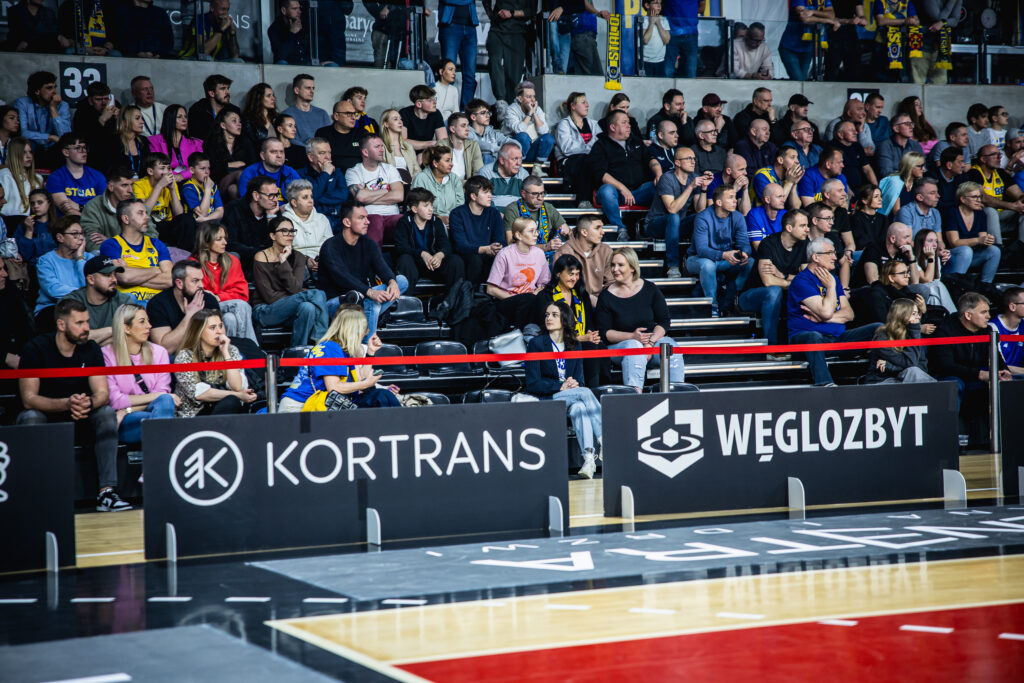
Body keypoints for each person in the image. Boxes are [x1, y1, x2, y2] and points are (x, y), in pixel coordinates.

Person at [17, 298, 130, 512]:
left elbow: (102, 394)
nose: (87, 328)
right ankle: (34, 493)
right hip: (49, 415)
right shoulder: (35, 348)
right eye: (79, 323)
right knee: (30, 417)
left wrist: (88, 403)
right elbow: (29, 398)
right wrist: (67, 404)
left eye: (87, 321)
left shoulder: (91, 348)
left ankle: (107, 492)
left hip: (82, 414)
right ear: (61, 325)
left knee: (106, 413)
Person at [787, 237, 880, 386]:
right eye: (830, 253)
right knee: (813, 336)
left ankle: (875, 378)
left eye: (834, 253)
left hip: (836, 338)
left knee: (879, 328)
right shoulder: (802, 281)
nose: (835, 258)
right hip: (806, 339)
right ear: (815, 257)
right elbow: (825, 311)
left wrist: (825, 318)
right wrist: (830, 288)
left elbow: (849, 314)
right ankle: (825, 383)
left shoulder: (834, 279)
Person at [527, 301, 604, 477]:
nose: (549, 318)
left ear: (565, 318)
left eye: (554, 315)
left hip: (572, 398)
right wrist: (560, 386)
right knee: (585, 393)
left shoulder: (575, 345)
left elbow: (581, 381)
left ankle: (589, 461)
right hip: (547, 398)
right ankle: (604, 439)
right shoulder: (536, 344)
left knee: (580, 408)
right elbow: (532, 383)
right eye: (547, 315)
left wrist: (574, 384)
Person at [279, 306, 399, 411]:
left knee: (380, 396)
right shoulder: (330, 348)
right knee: (381, 396)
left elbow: (360, 378)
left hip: (324, 404)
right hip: (301, 407)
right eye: (364, 330)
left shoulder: (343, 350)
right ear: (353, 331)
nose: (365, 334)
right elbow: (334, 387)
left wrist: (370, 352)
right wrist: (366, 384)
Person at [596, 247, 684, 391]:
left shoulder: (650, 288)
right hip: (621, 347)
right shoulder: (606, 296)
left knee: (669, 345)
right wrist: (632, 336)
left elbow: (664, 321)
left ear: (632, 267)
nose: (615, 269)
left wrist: (650, 344)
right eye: (613, 265)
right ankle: (635, 396)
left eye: (620, 265)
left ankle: (677, 394)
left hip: (650, 344)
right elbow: (605, 333)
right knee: (634, 346)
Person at [318, 201, 409, 334]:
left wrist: (392, 282)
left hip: (364, 297)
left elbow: (382, 268)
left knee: (401, 281)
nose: (368, 222)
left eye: (367, 217)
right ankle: (367, 343)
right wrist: (369, 292)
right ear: (347, 222)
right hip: (337, 302)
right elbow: (342, 277)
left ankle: (364, 337)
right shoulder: (330, 246)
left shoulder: (369, 244)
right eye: (361, 218)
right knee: (371, 300)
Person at [102, 303, 178, 444]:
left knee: (165, 402)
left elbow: (162, 395)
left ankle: (158, 450)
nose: (149, 326)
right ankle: (163, 451)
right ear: (126, 328)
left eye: (148, 321)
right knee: (163, 408)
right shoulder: (107, 354)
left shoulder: (159, 352)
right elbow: (115, 400)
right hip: (126, 422)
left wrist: (127, 410)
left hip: (147, 413)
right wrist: (158, 396)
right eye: (142, 322)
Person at [252, 215, 329, 348]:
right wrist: (294, 298)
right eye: (284, 231)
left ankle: (296, 352)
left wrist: (283, 261)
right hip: (265, 311)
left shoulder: (298, 257)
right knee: (317, 294)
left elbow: (295, 289)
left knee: (308, 307)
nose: (290, 235)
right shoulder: (261, 257)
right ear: (272, 236)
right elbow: (269, 297)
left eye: (292, 231)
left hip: (291, 310)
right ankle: (321, 340)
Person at [740, 209, 809, 350]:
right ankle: (771, 347)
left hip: (784, 296)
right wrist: (795, 282)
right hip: (752, 296)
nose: (807, 229)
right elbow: (768, 282)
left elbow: (807, 279)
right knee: (774, 291)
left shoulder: (804, 243)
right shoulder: (768, 244)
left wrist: (784, 276)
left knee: (806, 291)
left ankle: (800, 346)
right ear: (789, 228)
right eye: (803, 226)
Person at [931, 292, 1011, 411]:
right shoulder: (945, 331)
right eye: (983, 312)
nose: (988, 316)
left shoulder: (987, 330)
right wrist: (979, 374)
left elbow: (995, 356)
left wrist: (1004, 371)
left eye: (988, 312)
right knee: (955, 384)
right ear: (968, 315)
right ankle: (950, 423)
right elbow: (945, 366)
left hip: (977, 376)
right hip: (952, 376)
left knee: (1012, 381)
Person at [536, 254, 606, 387]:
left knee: (596, 346)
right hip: (556, 342)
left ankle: (596, 390)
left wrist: (591, 335)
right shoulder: (545, 296)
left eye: (577, 274)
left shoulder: (581, 294)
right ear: (558, 274)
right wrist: (579, 338)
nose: (574, 278)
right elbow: (545, 328)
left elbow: (589, 323)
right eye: (570, 274)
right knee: (583, 347)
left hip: (581, 340)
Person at [173, 309, 256, 417]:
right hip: (194, 414)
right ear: (199, 331)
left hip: (225, 408)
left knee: (232, 402)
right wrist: (238, 395)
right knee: (232, 400)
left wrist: (226, 353)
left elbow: (237, 387)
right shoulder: (185, 356)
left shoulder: (231, 350)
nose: (219, 331)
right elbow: (198, 394)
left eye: (221, 326)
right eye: (212, 328)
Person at [686, 186, 753, 317]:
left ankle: (731, 295)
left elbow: (744, 242)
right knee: (708, 265)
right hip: (697, 259)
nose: (735, 201)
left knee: (750, 262)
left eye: (735, 197)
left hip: (724, 260)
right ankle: (712, 304)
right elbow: (702, 250)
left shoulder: (738, 217)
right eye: (730, 198)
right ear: (719, 202)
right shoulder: (703, 217)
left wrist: (744, 252)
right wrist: (723, 255)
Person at [590, 110, 655, 241]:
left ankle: (650, 225)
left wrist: (659, 174)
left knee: (662, 185)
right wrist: (622, 188)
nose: (629, 126)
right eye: (624, 122)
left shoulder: (636, 142)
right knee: (606, 190)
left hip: (638, 192)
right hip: (616, 194)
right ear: (613, 127)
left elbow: (651, 159)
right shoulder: (600, 145)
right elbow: (601, 174)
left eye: (629, 122)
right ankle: (620, 229)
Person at [99, 198, 173, 304]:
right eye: (140, 213)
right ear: (126, 219)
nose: (147, 217)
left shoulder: (157, 244)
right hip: (128, 304)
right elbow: (123, 277)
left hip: (157, 304)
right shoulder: (111, 245)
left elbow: (170, 280)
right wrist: (155, 270)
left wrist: (133, 277)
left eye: (146, 213)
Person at [393, 187, 465, 294]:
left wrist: (440, 255)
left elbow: (446, 244)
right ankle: (405, 300)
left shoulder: (436, 221)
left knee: (455, 260)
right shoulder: (404, 222)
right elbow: (401, 247)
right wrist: (422, 254)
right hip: (414, 265)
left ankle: (451, 301)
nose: (431, 209)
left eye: (431, 205)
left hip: (433, 264)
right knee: (405, 260)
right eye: (426, 206)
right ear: (414, 209)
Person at [194, 223, 257, 344]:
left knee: (230, 319)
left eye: (225, 238)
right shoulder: (194, 264)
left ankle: (231, 351)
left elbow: (242, 293)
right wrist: (217, 297)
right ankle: (251, 348)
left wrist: (219, 297)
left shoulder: (233, 261)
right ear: (206, 243)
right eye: (219, 239)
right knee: (241, 306)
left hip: (228, 308)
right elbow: (200, 295)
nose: (225, 243)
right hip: (206, 309)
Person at [486, 218, 552, 328]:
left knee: (545, 297)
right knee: (528, 299)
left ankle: (541, 333)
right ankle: (520, 332)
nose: (536, 234)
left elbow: (544, 284)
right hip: (507, 301)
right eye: (531, 231)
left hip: (531, 299)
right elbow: (491, 289)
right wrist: (517, 298)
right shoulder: (504, 254)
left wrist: (537, 293)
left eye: (536, 230)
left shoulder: (539, 253)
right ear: (518, 235)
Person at [146, 259, 221, 355]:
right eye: (195, 281)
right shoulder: (157, 304)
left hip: (204, 352)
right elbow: (164, 349)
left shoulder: (209, 300)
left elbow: (217, 338)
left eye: (201, 280)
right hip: (174, 357)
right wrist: (190, 316)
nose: (201, 285)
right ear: (179, 283)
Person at [345, 135, 404, 243]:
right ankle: (373, 254)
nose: (382, 150)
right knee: (376, 220)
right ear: (365, 152)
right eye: (377, 147)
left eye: (382, 146)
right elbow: (360, 197)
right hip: (369, 218)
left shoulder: (390, 169)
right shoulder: (353, 172)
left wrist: (368, 196)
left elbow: (399, 196)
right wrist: (386, 190)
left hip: (392, 216)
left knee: (404, 220)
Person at [64, 254, 133, 346]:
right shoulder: (71, 302)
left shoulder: (123, 300)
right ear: (91, 279)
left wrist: (91, 339)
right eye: (107, 275)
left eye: (114, 275)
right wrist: (113, 330)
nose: (114, 280)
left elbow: (132, 335)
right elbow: (72, 338)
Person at [862, 299, 935, 384]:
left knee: (914, 372)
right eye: (914, 314)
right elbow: (910, 363)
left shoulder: (913, 334)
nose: (918, 317)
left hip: (907, 379)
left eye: (918, 313)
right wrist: (915, 332)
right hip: (883, 381)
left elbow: (922, 367)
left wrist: (891, 367)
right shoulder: (882, 337)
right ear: (902, 315)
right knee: (913, 372)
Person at [82, 169, 154, 252]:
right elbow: (92, 245)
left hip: (140, 257)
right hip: (109, 258)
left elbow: (152, 237)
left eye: (131, 185)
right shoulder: (94, 207)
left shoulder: (139, 205)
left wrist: (110, 242)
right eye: (124, 185)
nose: (130, 190)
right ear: (111, 187)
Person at [449, 176, 505, 284]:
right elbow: (461, 246)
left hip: (488, 254)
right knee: (475, 260)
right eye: (485, 192)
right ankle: (471, 292)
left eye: (490, 192)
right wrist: (485, 249)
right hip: (466, 256)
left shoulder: (494, 213)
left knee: (501, 257)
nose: (490, 196)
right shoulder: (457, 214)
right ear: (473, 196)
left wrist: (496, 247)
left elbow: (500, 240)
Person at [944, 182, 1001, 283]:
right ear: (963, 199)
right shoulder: (952, 213)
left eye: (979, 197)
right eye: (974, 197)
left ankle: (985, 285)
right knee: (966, 250)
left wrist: (987, 240)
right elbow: (954, 243)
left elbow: (983, 239)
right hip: (953, 256)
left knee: (994, 250)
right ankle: (956, 284)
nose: (978, 200)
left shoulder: (980, 214)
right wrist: (978, 240)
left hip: (973, 255)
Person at [34, 216, 88, 322]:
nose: (81, 238)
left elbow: (91, 283)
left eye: (82, 233)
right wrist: (85, 294)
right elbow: (53, 290)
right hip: (53, 307)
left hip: (84, 306)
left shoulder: (88, 258)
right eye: (75, 234)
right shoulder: (46, 261)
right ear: (60, 237)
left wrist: (80, 259)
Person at [968, 144, 1024, 245]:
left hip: (1002, 215)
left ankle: (1021, 247)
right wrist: (1011, 206)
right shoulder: (974, 173)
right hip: (982, 217)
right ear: (983, 159)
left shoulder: (1001, 173)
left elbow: (1018, 195)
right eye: (994, 155)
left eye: (999, 154)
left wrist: (1020, 203)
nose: (999, 157)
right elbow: (983, 198)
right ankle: (998, 247)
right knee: (990, 211)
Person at [852, 259, 931, 327]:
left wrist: (923, 311)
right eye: (903, 273)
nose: (908, 276)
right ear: (891, 278)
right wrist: (917, 328)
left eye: (908, 272)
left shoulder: (908, 294)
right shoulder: (876, 295)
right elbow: (884, 325)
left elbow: (917, 321)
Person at [222, 175, 278, 272]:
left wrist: (271, 219)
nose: (275, 200)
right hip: (243, 262)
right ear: (256, 196)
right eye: (271, 195)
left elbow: (278, 243)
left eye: (277, 195)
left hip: (267, 262)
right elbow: (230, 243)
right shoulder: (234, 209)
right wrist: (258, 253)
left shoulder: (273, 211)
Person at [14, 71, 71, 164]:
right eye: (49, 88)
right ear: (37, 91)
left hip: (53, 147)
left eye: (55, 87)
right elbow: (22, 133)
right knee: (27, 144)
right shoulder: (23, 103)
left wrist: (53, 108)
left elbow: (66, 136)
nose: (54, 92)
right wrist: (49, 137)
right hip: (33, 145)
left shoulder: (62, 105)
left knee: (65, 148)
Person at [555, 214, 614, 306]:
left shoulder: (606, 251)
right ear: (584, 232)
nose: (602, 232)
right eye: (597, 228)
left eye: (602, 228)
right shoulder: (564, 252)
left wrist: (603, 302)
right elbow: (561, 285)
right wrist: (587, 298)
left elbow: (611, 283)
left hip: (599, 302)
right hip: (573, 301)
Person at [132, 153, 186, 250]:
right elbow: (144, 211)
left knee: (187, 219)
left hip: (167, 224)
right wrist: (159, 186)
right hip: (150, 226)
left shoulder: (171, 183)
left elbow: (179, 214)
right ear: (150, 171)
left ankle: (187, 253)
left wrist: (172, 190)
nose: (166, 172)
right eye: (162, 168)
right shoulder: (138, 185)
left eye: (168, 168)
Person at [45, 134, 106, 216]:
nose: (84, 151)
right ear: (66, 152)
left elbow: (103, 207)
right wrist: (91, 211)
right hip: (68, 222)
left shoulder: (97, 176)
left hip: (94, 222)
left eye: (84, 147)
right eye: (78, 148)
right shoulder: (55, 177)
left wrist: (79, 207)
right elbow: (67, 210)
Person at [280, 178, 331, 276]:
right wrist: (306, 260)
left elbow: (330, 247)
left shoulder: (322, 219)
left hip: (322, 262)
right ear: (294, 203)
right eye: (305, 197)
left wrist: (320, 261)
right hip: (296, 263)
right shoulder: (284, 221)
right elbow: (284, 250)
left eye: (311, 196)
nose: (310, 200)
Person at [484, 0, 531, 103]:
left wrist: (512, 13)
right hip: (496, 30)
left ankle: (509, 104)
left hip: (517, 33)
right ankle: (500, 100)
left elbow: (530, 11)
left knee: (514, 75)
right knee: (494, 61)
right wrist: (491, 15)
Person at [778, 1, 838, 81]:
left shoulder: (823, 1)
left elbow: (832, 15)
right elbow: (805, 18)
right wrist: (827, 20)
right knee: (798, 80)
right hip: (790, 48)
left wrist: (812, 12)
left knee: (802, 81)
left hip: (807, 49)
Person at [503, 176, 566, 251]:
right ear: (523, 194)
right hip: (521, 256)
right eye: (535, 194)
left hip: (547, 256)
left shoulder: (549, 208)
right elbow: (511, 244)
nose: (540, 198)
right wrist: (545, 247)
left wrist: (566, 232)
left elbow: (565, 229)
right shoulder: (512, 210)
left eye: (542, 193)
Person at [437, 0, 480, 108]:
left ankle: (466, 112)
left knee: (470, 75)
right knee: (448, 72)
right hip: (450, 27)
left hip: (470, 27)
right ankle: (446, 110)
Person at [205, 109, 256, 200]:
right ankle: (251, 202)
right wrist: (230, 165)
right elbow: (213, 169)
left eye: (240, 121)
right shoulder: (212, 144)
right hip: (220, 183)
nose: (239, 124)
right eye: (234, 121)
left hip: (241, 183)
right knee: (239, 173)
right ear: (223, 125)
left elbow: (253, 164)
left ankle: (245, 207)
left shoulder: (245, 142)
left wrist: (225, 166)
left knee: (233, 189)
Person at [549, 0, 608, 77]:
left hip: (585, 35)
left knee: (586, 74)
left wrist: (598, 14)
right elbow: (584, 4)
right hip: (582, 35)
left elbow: (587, 4)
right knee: (593, 75)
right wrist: (598, 13)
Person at [300, 137, 348, 231]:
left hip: (338, 219)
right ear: (310, 157)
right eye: (322, 153)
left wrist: (318, 197)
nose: (327, 157)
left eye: (329, 152)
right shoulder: (301, 174)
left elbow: (343, 195)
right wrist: (325, 174)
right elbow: (311, 197)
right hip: (314, 221)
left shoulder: (337, 172)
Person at [502, 82, 555, 167]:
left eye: (534, 96)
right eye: (529, 97)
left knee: (548, 138)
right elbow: (519, 130)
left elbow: (544, 131)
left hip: (531, 149)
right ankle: (519, 166)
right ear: (520, 99)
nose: (533, 100)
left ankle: (538, 168)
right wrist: (529, 113)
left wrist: (534, 114)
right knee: (523, 136)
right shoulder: (511, 110)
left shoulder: (537, 109)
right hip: (513, 151)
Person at [237, 138, 300, 207]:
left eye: (281, 152)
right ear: (263, 156)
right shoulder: (250, 173)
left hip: (287, 211)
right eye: (273, 152)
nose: (279, 155)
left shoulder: (291, 172)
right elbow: (247, 203)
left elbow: (301, 197)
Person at [147, 105, 204, 181]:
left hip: (190, 181)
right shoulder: (155, 141)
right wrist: (174, 176)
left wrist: (182, 176)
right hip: (165, 181)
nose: (184, 120)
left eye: (185, 117)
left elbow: (201, 167)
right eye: (179, 117)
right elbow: (156, 168)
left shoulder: (196, 143)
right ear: (170, 119)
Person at [855, 221, 918, 287]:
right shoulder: (873, 250)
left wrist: (911, 258)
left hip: (895, 290)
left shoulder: (904, 252)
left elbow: (915, 283)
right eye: (905, 237)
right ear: (892, 239)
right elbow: (873, 280)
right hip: (870, 290)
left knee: (920, 288)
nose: (909, 242)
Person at [411, 147, 465, 223]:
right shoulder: (421, 178)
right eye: (447, 161)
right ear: (435, 163)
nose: (451, 164)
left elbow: (460, 205)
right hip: (428, 222)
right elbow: (416, 207)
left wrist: (452, 219)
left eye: (451, 160)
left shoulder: (454, 179)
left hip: (453, 221)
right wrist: (437, 219)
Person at [72, 82, 119, 164]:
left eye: (106, 98)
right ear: (90, 100)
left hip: (114, 154)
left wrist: (119, 119)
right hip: (92, 157)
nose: (104, 103)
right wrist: (102, 120)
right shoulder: (81, 113)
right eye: (98, 99)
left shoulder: (115, 106)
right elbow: (84, 140)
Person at [911, 227, 956, 314]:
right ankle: (950, 314)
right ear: (921, 242)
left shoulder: (936, 258)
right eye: (930, 241)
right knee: (937, 286)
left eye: (936, 241)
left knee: (935, 293)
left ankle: (941, 315)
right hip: (919, 291)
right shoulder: (913, 259)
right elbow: (926, 280)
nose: (934, 245)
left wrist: (933, 257)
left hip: (933, 293)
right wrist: (931, 257)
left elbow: (936, 279)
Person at [315, 100, 365, 174]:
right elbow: (320, 160)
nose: (353, 117)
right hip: (333, 175)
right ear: (336, 116)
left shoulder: (362, 133)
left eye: (354, 114)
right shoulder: (323, 133)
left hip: (359, 175)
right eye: (348, 114)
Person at [281, 74, 330, 149]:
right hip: (299, 153)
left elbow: (329, 137)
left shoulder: (322, 114)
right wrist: (311, 150)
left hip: (322, 153)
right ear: (297, 90)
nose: (312, 91)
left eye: (313, 88)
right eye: (308, 88)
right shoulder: (287, 114)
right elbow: (290, 140)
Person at [0, 260, 33, 370]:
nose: (5, 274)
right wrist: (4, 357)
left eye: (4, 268)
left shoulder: (9, 290)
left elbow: (22, 328)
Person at [0, 137, 43, 218]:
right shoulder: (4, 176)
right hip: (9, 221)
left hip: (32, 221)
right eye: (24, 153)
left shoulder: (38, 178)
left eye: (30, 152)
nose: (29, 156)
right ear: (15, 155)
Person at [752, 146, 804, 210]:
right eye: (792, 157)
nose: (797, 161)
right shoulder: (762, 175)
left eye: (797, 158)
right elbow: (774, 205)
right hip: (759, 214)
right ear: (780, 160)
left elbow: (795, 207)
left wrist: (794, 184)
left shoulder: (790, 176)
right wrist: (789, 182)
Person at [480, 142, 530, 209]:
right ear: (502, 160)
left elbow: (528, 201)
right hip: (493, 214)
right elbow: (483, 201)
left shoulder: (523, 174)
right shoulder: (486, 172)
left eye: (520, 159)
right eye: (514, 159)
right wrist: (497, 214)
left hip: (517, 214)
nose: (519, 163)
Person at [106, 106, 150, 180]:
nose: (142, 122)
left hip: (142, 184)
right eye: (137, 118)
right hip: (121, 184)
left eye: (142, 118)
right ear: (125, 122)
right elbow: (110, 170)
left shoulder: (143, 141)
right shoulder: (113, 142)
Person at [468, 99, 517, 167]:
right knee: (486, 156)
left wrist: (515, 148)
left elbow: (510, 141)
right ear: (473, 117)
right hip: (475, 169)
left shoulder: (492, 132)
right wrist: (500, 149)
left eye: (488, 113)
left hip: (496, 167)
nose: (488, 116)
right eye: (483, 113)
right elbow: (477, 144)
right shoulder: (467, 132)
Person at [14, 189, 58, 265]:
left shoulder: (59, 225)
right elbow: (25, 255)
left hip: (55, 265)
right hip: (32, 266)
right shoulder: (24, 225)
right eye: (32, 203)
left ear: (49, 203)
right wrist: (29, 231)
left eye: (40, 202)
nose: (35, 206)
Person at [400, 85, 448, 153]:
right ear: (419, 104)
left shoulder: (436, 114)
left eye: (434, 99)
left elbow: (443, 141)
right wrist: (430, 144)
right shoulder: (405, 113)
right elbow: (403, 142)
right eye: (430, 100)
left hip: (427, 152)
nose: (435, 102)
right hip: (408, 152)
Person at [181, 153, 224, 226]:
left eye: (208, 168)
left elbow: (220, 211)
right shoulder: (188, 188)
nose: (207, 172)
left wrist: (206, 219)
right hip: (195, 225)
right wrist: (208, 190)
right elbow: (202, 214)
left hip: (210, 221)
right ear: (192, 170)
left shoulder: (212, 185)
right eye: (202, 168)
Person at [437, 113, 483, 181]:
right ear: (453, 129)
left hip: (468, 186)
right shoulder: (441, 145)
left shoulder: (473, 146)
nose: (467, 129)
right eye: (463, 126)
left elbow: (478, 172)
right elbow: (440, 175)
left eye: (468, 126)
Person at [879, 150, 925, 216]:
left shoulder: (917, 183)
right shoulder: (895, 182)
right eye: (920, 166)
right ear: (910, 166)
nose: (923, 169)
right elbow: (897, 212)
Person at [990, 287, 1024, 376]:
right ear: (1012, 307)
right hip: (999, 378)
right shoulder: (993, 328)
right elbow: (999, 366)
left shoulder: (1023, 324)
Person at [379, 108, 421, 180]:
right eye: (395, 119)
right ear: (386, 124)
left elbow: (417, 171)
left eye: (401, 119)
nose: (400, 122)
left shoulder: (408, 146)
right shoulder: (381, 146)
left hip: (411, 184)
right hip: (391, 184)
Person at [835, 121, 878, 191]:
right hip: (842, 189)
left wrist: (876, 188)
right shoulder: (833, 149)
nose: (856, 133)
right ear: (840, 134)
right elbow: (834, 174)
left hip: (860, 188)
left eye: (855, 130)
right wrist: (846, 189)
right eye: (850, 130)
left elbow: (867, 169)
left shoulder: (857, 146)